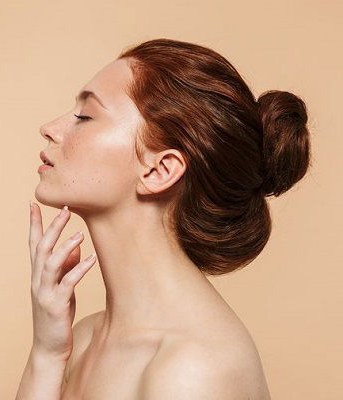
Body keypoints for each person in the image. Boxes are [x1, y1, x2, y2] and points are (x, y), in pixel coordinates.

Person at [16, 38, 311, 400]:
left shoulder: (195, 370)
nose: (50, 128)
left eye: (85, 116)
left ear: (160, 170)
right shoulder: (82, 340)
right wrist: (46, 355)